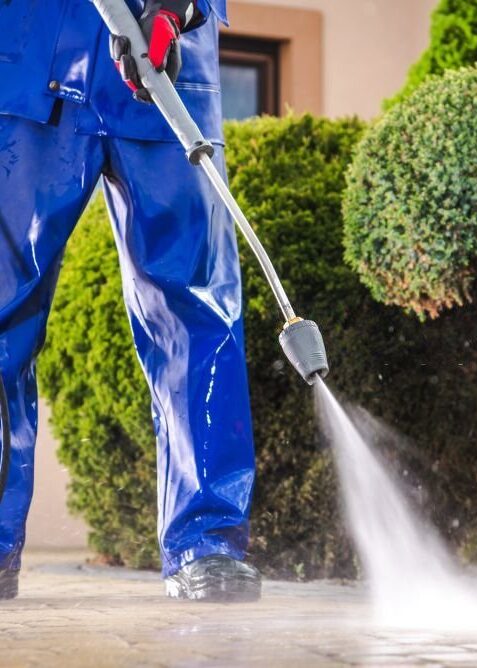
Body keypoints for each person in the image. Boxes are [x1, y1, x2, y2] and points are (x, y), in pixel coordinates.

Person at [0, 0, 261, 602]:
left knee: (198, 308)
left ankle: (207, 542)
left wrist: (176, 6)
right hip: (31, 57)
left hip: (164, 68)